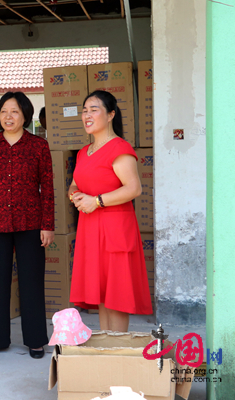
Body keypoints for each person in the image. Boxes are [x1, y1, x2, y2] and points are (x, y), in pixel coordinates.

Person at [0, 91, 54, 359]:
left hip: (30, 223)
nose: (8, 117)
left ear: (25, 116)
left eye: (14, 111)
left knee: (32, 283)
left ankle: (36, 340)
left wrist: (48, 224)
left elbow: (48, 189)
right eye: (3, 111)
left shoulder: (39, 146)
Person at [68, 90, 153, 332]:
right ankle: (107, 346)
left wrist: (96, 201)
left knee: (117, 296)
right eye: (84, 110)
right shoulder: (84, 152)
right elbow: (74, 184)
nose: (87, 115)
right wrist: (75, 195)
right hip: (90, 229)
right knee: (102, 294)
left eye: (94, 110)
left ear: (111, 115)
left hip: (114, 228)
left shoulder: (119, 148)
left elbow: (134, 188)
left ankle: (118, 348)